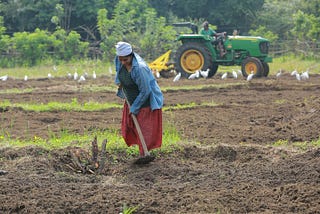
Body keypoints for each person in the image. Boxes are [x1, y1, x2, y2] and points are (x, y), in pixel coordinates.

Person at [114, 41, 163, 162]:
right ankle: (141, 152)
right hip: (130, 98)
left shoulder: (140, 69)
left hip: (144, 102)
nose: (123, 62)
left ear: (131, 55)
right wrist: (120, 83)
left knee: (145, 130)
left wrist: (135, 107)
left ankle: (144, 154)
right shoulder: (119, 60)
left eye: (125, 60)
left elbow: (145, 91)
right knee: (129, 127)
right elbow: (118, 71)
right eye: (121, 59)